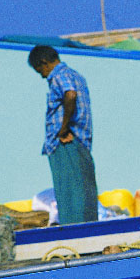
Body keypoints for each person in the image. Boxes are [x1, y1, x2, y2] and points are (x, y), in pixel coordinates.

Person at [28, 45, 99, 224]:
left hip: (66, 142)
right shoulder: (77, 75)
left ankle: (74, 232)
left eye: (40, 71)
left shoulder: (59, 75)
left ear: (44, 63)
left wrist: (64, 128)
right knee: (83, 191)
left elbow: (70, 94)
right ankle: (89, 229)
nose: (42, 76)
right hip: (79, 141)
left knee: (69, 192)